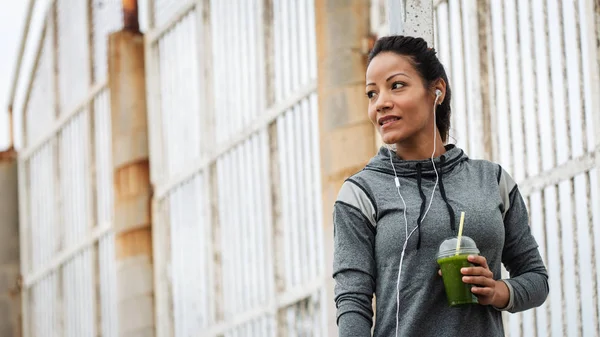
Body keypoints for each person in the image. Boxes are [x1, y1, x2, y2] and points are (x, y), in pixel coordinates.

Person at [332, 35, 549, 337]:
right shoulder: (360, 194)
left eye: (396, 85)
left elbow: (536, 279)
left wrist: (498, 290)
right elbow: (352, 301)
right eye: (371, 93)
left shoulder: (492, 181)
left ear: (437, 91)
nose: (380, 103)